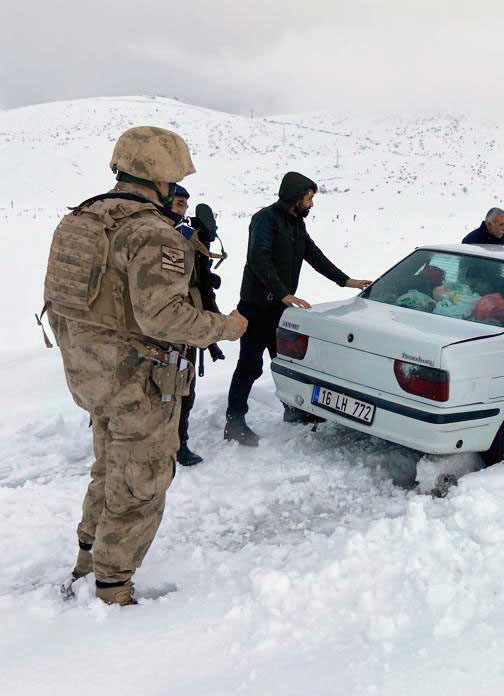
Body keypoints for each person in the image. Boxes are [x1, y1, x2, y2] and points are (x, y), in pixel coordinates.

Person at [44, 126, 248, 605]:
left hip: (92, 378)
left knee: (109, 468)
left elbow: (59, 302)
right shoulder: (152, 233)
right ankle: (113, 588)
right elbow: (164, 315)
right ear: (161, 178)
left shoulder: (81, 220)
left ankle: (87, 559)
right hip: (138, 382)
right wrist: (226, 326)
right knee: (141, 481)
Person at [224, 171, 371, 445]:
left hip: (281, 309)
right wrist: (282, 294)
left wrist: (346, 281)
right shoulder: (265, 219)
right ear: (295, 196)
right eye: (309, 197)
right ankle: (234, 422)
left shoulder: (296, 225)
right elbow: (258, 258)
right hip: (256, 306)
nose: (312, 203)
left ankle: (293, 409)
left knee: (286, 362)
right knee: (249, 365)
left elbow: (314, 256)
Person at [169, 186, 226, 466]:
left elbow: (201, 278)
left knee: (185, 385)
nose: (182, 210)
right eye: (178, 203)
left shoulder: (187, 234)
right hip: (158, 325)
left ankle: (180, 444)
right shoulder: (150, 232)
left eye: (184, 206)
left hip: (187, 321)